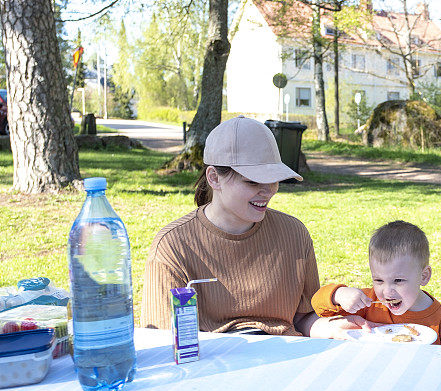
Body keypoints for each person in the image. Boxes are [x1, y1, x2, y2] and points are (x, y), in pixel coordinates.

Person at [141, 116, 364, 338]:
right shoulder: (173, 247)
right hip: (214, 365)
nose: (268, 191)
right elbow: (163, 338)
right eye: (253, 181)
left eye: (273, 179)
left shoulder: (294, 233)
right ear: (214, 178)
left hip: (286, 361)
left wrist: (331, 328)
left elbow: (303, 317)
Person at [311, 220, 441, 346]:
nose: (387, 291)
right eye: (379, 280)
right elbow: (318, 306)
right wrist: (338, 294)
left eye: (398, 280)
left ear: (424, 276)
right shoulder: (368, 303)